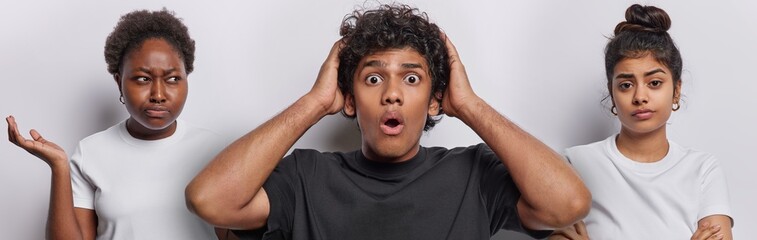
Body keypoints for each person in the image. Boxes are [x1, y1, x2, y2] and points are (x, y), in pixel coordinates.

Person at [186, 4, 590, 239]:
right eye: (373, 78)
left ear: (434, 101)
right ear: (349, 99)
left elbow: (568, 204)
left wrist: (468, 105)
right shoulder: (305, 177)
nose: (392, 93)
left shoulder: (475, 172)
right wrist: (314, 102)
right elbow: (209, 200)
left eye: (411, 79)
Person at [6, 9, 235, 240]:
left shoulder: (217, 150)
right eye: (143, 79)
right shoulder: (90, 152)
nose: (158, 94)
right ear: (119, 82)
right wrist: (59, 167)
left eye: (173, 78)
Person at [549, 4, 733, 240]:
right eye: (626, 85)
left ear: (676, 90)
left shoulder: (703, 170)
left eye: (654, 83)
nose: (640, 97)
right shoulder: (574, 164)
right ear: (612, 92)